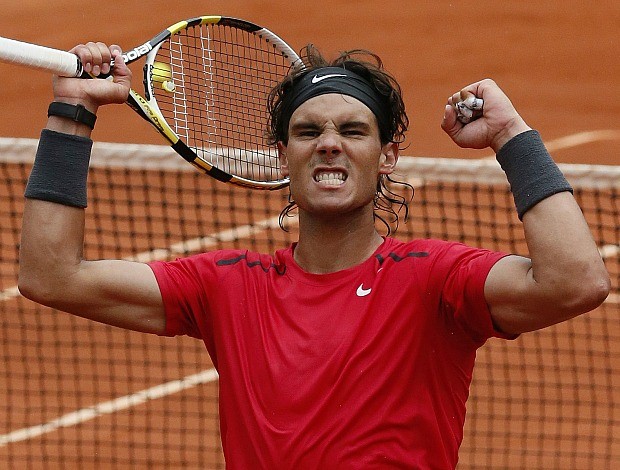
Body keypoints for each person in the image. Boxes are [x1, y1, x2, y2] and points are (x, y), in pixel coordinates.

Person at [18, 42, 610, 469]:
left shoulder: (436, 280)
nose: (329, 142)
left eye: (353, 130)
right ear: (282, 156)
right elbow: (53, 277)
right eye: (308, 131)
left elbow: (575, 281)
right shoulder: (229, 287)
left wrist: (512, 137)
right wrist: (72, 111)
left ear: (387, 157)